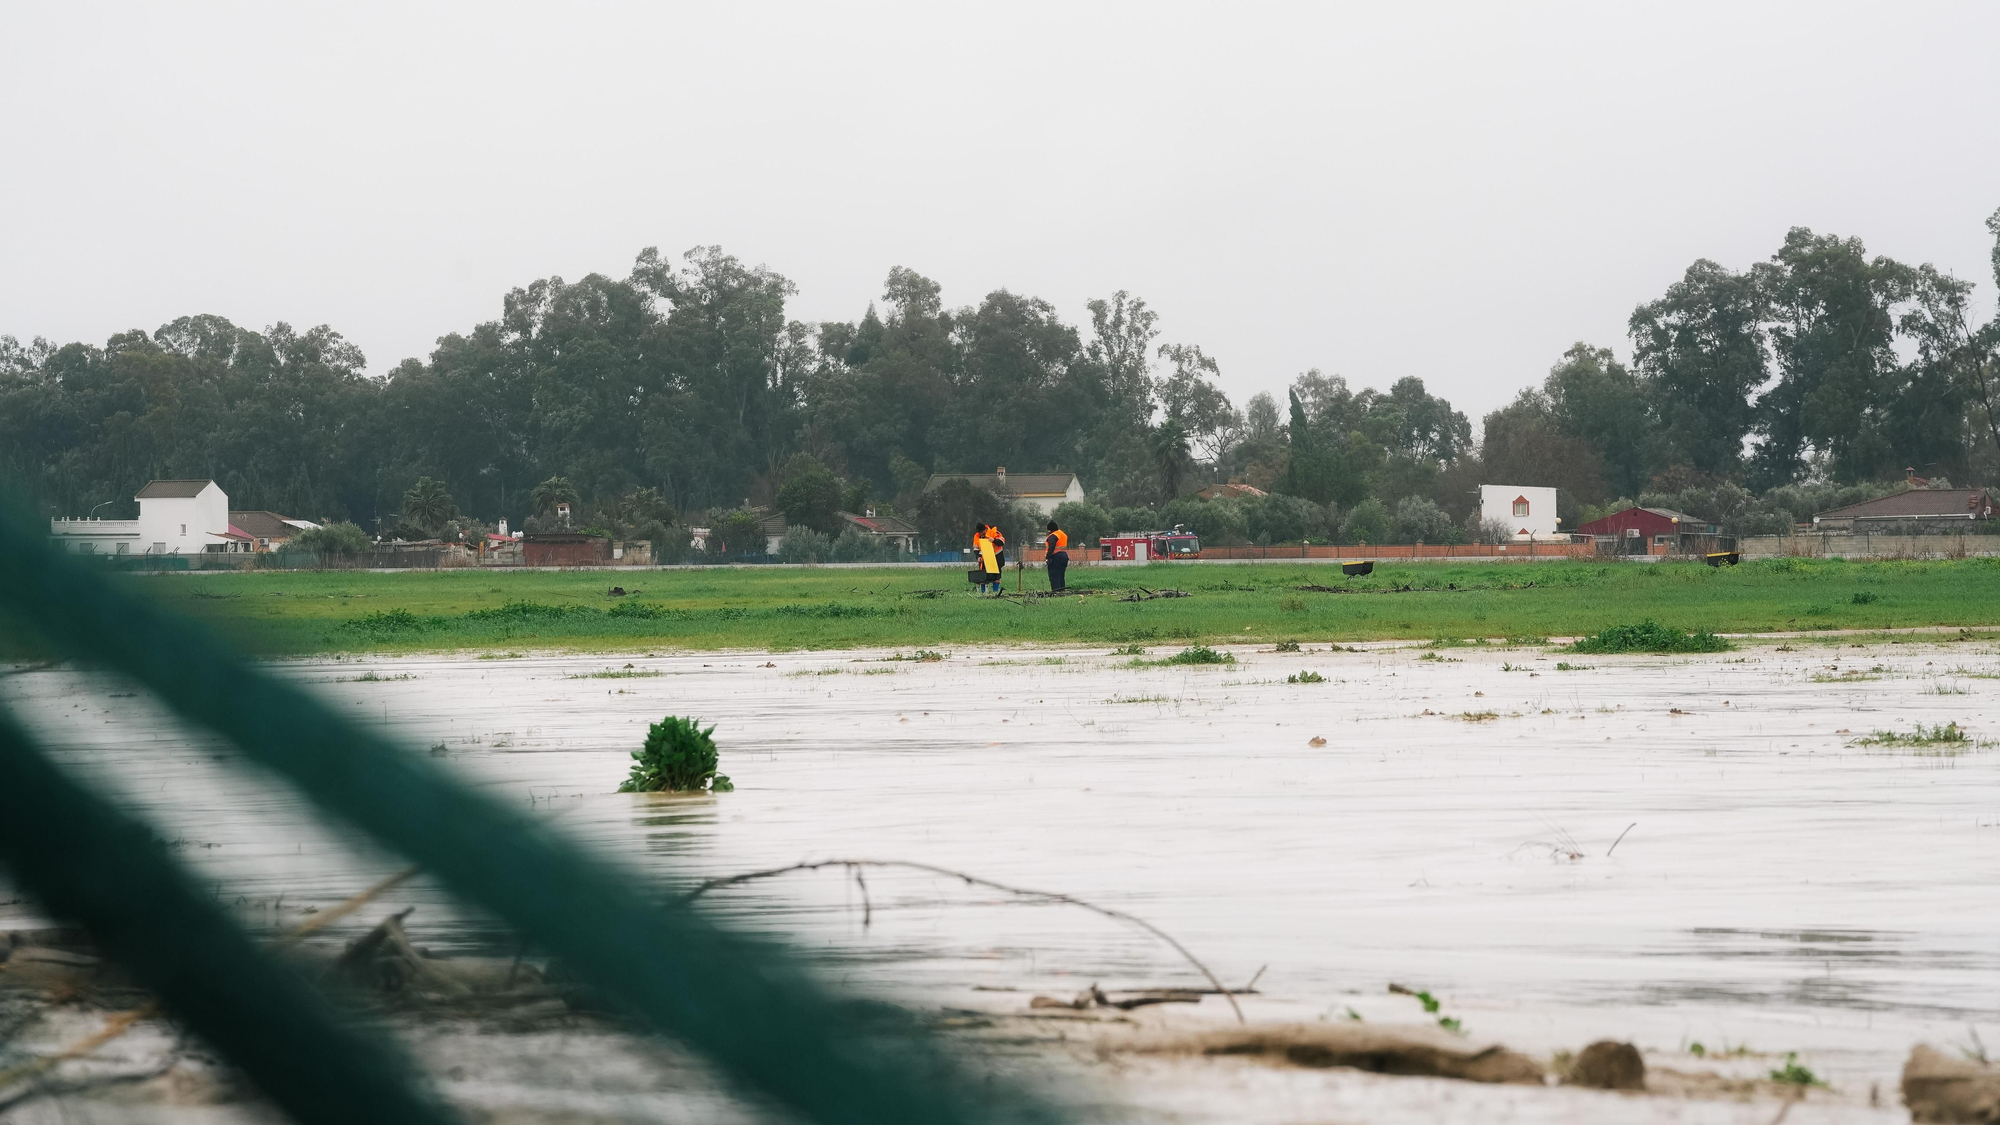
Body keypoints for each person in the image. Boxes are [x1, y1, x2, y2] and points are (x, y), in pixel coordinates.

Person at [972, 522, 1000, 593]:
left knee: (996, 576)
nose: (981, 534)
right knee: (983, 576)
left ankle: (995, 592)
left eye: (982, 532)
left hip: (996, 557)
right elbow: (976, 548)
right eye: (979, 532)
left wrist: (994, 540)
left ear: (985, 529)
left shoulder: (993, 532)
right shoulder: (976, 536)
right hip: (984, 559)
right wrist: (978, 557)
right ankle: (983, 592)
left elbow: (1002, 541)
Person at [1043, 520, 1070, 593]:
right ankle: (1062, 591)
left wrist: (1047, 557)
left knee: (1054, 575)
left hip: (1056, 557)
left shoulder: (1053, 536)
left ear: (1050, 530)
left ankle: (1056, 592)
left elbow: (1051, 547)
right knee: (1061, 576)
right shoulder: (1062, 534)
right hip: (1064, 556)